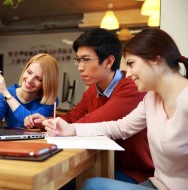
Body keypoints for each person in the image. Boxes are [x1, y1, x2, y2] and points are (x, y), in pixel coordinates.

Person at [42, 28, 188, 190]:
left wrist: (72, 128)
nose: (129, 73)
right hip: (158, 183)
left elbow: (102, 119)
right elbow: (121, 126)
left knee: (88, 185)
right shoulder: (151, 98)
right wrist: (71, 128)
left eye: (132, 64)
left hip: (147, 178)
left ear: (155, 59)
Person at [24, 28, 154, 184]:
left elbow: (95, 120)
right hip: (102, 162)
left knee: (60, 182)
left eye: (86, 60)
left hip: (135, 173)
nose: (79, 67)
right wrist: (46, 121)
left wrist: (62, 126)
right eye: (78, 60)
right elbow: (73, 117)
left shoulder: (132, 86)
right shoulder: (92, 90)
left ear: (109, 62)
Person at [0, 53, 59, 128]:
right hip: (11, 139)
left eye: (38, 79)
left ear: (47, 84)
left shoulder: (50, 100)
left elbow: (30, 121)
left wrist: (7, 95)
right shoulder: (6, 94)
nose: (30, 80)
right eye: (29, 72)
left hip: (38, 140)